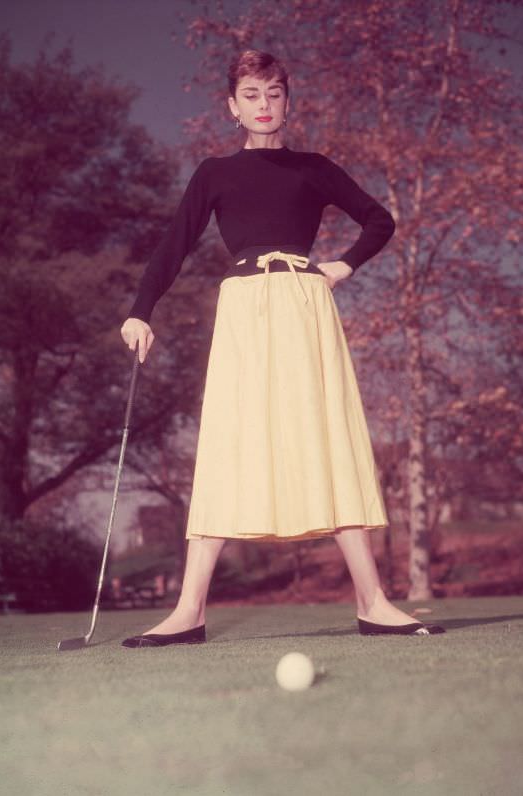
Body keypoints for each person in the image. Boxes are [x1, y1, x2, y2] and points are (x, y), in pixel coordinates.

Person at [120, 50, 445, 647]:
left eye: (273, 94)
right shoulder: (214, 172)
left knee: (327, 438)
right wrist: (141, 310)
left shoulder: (314, 167)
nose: (264, 105)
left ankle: (373, 602)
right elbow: (174, 245)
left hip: (304, 306)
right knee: (227, 443)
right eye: (251, 95)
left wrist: (342, 267)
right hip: (244, 310)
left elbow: (380, 220)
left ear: (287, 101)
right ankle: (188, 611)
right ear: (233, 105)